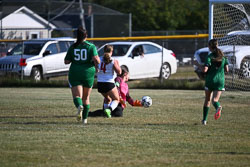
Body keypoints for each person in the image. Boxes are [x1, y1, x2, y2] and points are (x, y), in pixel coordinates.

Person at [64, 26, 100, 124]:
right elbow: (97, 59)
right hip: (88, 72)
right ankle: (85, 120)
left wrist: (74, 59)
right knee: (86, 97)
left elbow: (66, 61)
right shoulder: (91, 46)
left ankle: (79, 106)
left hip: (75, 72)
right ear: (86, 35)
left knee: (77, 96)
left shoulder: (73, 46)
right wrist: (97, 66)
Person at [194, 39, 229, 125]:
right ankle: (218, 106)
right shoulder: (223, 57)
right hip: (220, 81)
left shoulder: (209, 57)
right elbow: (227, 70)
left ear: (210, 46)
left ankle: (204, 120)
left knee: (207, 100)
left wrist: (197, 64)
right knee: (215, 100)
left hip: (210, 80)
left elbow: (205, 70)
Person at [96, 45, 122, 118]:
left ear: (104, 51)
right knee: (116, 99)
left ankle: (106, 114)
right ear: (112, 51)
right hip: (109, 83)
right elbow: (119, 72)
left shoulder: (99, 59)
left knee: (107, 99)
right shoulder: (113, 60)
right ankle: (109, 110)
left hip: (99, 83)